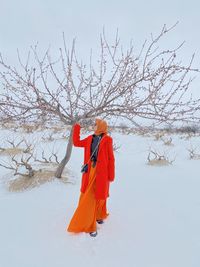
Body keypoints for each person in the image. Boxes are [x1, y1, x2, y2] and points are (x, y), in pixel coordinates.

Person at [66, 118, 115, 237]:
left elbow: (110, 158)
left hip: (102, 172)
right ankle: (88, 225)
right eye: (94, 125)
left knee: (101, 195)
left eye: (95, 124)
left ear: (101, 127)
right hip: (90, 171)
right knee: (89, 196)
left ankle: (98, 216)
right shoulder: (90, 138)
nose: (93, 126)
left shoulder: (107, 139)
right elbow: (77, 143)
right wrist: (77, 127)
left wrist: (110, 175)